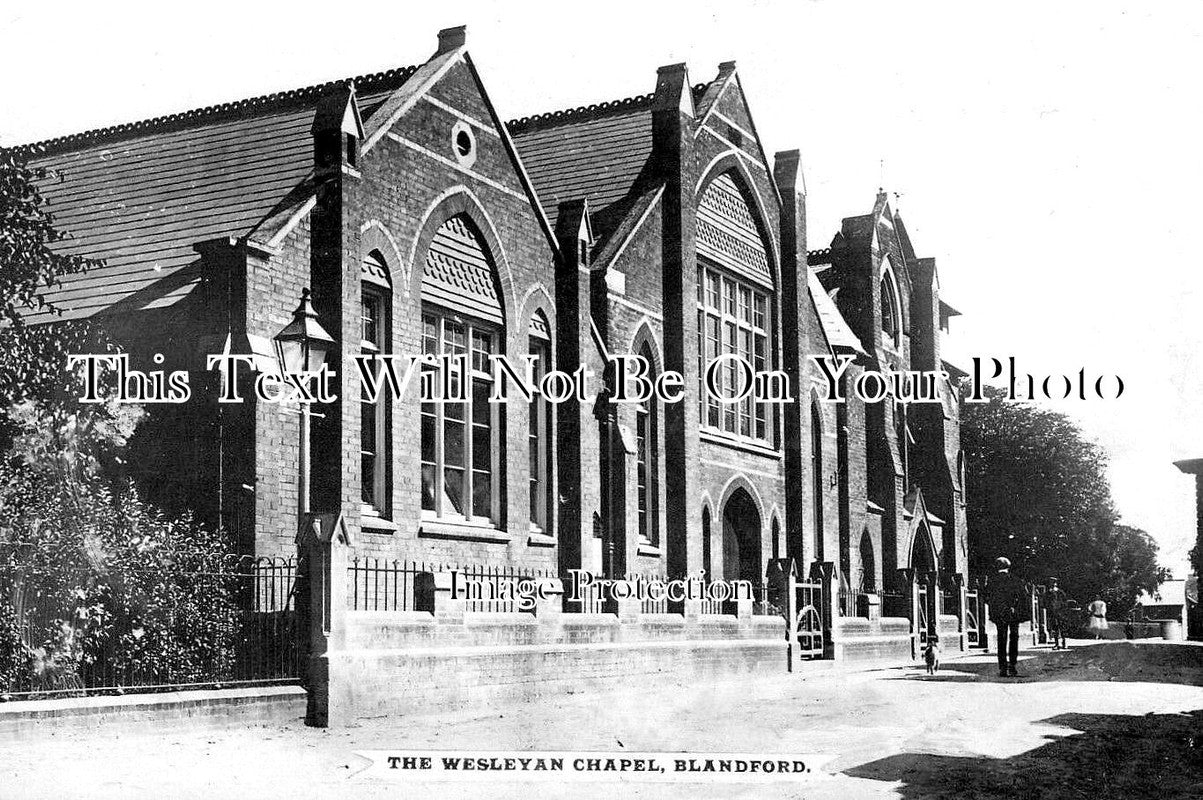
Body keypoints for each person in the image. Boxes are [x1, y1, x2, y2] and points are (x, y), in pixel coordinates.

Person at [985, 556, 1030, 677]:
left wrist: (995, 608)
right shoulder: (1015, 579)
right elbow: (1023, 596)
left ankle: (1003, 668)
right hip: (1013, 613)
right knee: (1014, 638)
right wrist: (1016, 607)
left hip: (999, 614)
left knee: (1001, 639)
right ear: (1008, 567)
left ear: (997, 567)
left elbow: (986, 597)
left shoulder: (992, 581)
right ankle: (1013, 666)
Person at [1045, 577, 1069, 650]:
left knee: (1062, 628)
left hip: (1060, 612)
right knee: (1055, 628)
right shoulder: (1048, 593)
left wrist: (1062, 609)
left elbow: (1065, 602)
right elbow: (1046, 603)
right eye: (1051, 583)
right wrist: (1049, 609)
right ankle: (1057, 644)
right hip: (1053, 613)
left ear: (1056, 584)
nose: (1053, 584)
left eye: (1054, 583)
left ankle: (1064, 643)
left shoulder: (1060, 592)